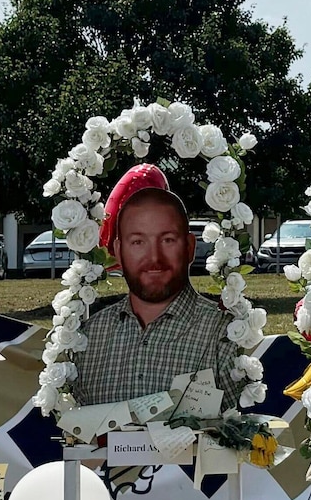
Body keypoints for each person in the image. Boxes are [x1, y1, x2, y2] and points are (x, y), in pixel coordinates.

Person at [71, 164, 240, 409]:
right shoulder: (87, 339)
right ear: (118, 250)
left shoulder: (226, 337)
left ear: (190, 247)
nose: (154, 257)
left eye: (168, 240)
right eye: (138, 242)